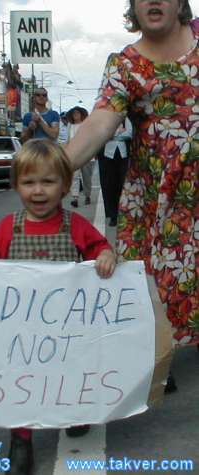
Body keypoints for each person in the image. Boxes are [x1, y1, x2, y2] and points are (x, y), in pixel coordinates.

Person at [0, 139, 116, 475]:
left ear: (65, 185)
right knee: (20, 383)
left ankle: (74, 414)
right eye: (28, 182)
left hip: (66, 329)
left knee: (70, 374)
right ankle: (21, 440)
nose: (38, 191)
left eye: (48, 181)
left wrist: (105, 255)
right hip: (20, 333)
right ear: (16, 186)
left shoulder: (75, 226)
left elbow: (99, 247)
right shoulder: (7, 228)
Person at [65, 0, 199, 382]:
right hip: (155, 195)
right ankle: (160, 348)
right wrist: (59, 165)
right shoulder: (123, 64)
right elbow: (101, 122)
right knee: (152, 277)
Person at [97, 118, 132, 226]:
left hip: (123, 156)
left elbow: (129, 133)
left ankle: (125, 214)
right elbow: (103, 134)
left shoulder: (126, 118)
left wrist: (113, 135)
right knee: (109, 186)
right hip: (107, 155)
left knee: (124, 186)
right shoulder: (104, 119)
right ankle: (113, 215)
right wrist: (118, 133)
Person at [67, 106, 94, 207]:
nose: (76, 115)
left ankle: (87, 195)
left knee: (86, 176)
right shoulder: (70, 126)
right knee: (74, 176)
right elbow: (68, 140)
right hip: (74, 154)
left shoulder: (86, 125)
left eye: (77, 113)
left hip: (86, 154)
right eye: (74, 114)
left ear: (81, 115)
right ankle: (75, 197)